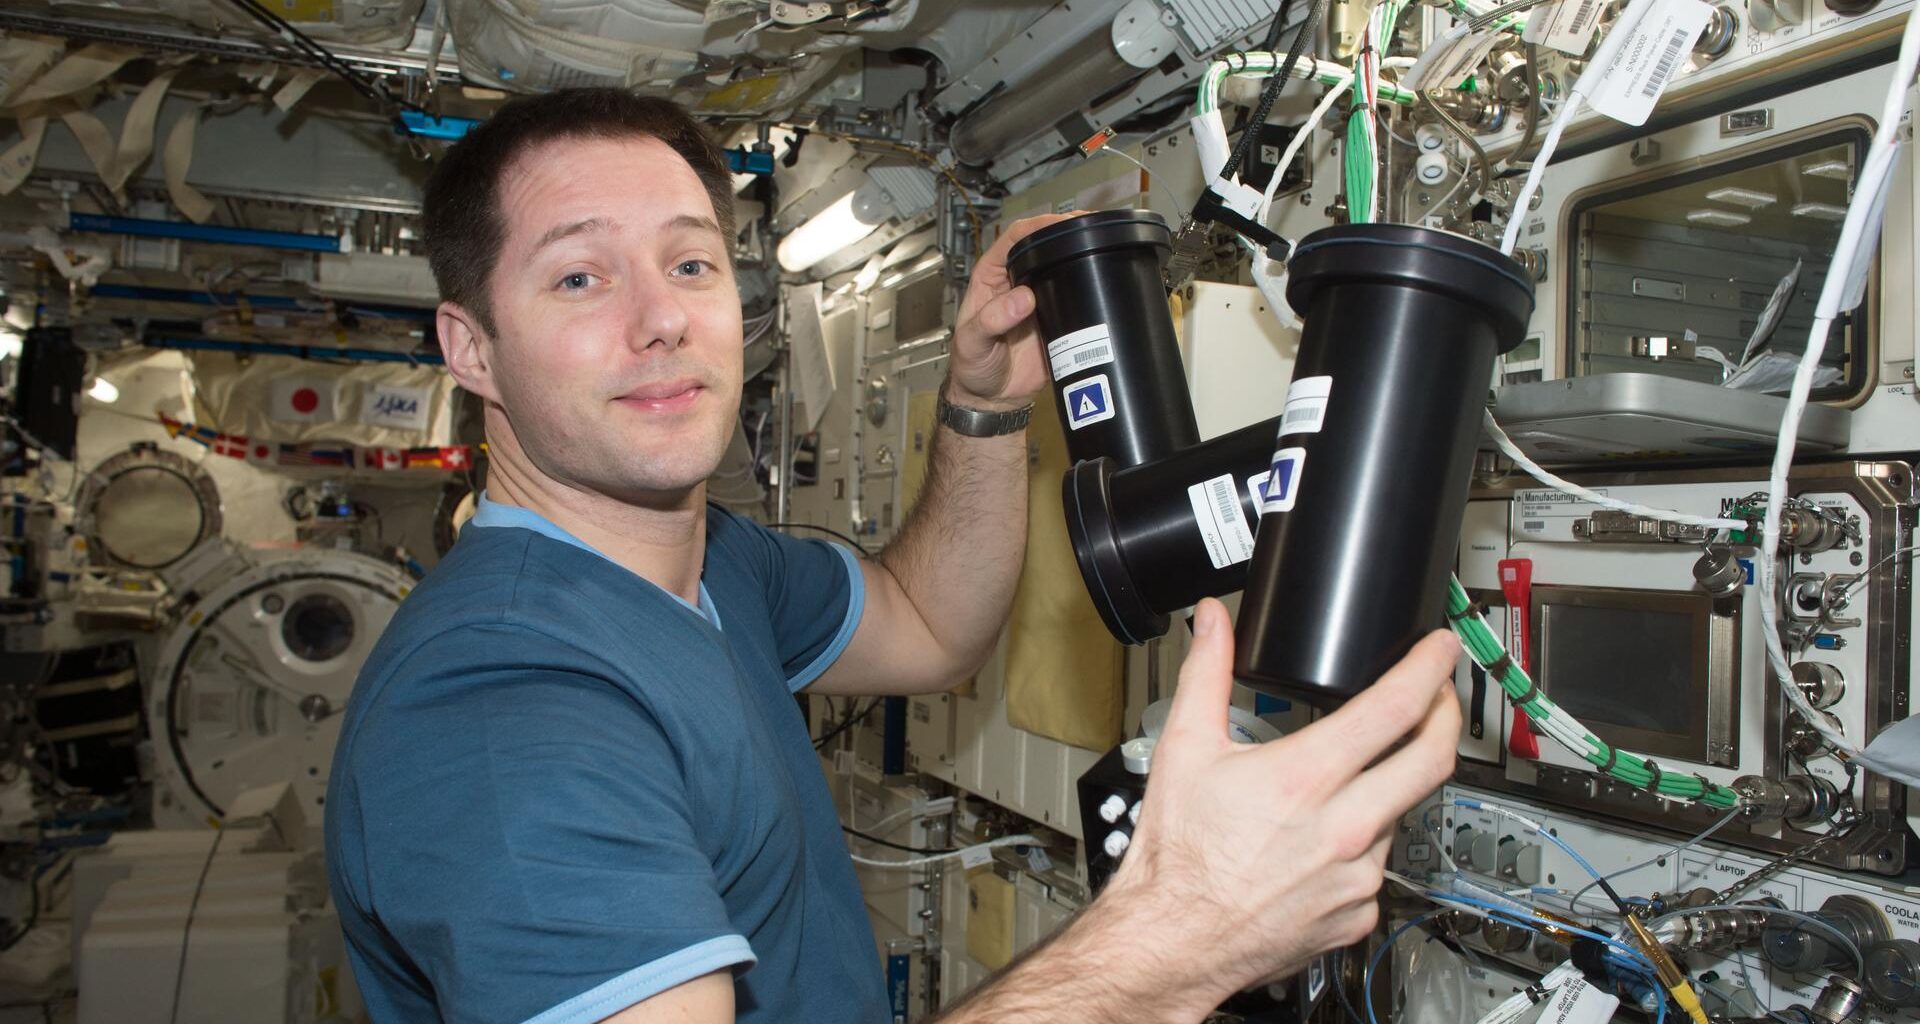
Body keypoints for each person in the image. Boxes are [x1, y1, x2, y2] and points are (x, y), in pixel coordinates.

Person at [324, 87, 1462, 1024]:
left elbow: (927, 621)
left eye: (690, 265)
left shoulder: (709, 567)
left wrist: (979, 410)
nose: (660, 319)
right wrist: (1180, 931)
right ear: (471, 345)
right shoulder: (504, 703)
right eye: (580, 276)